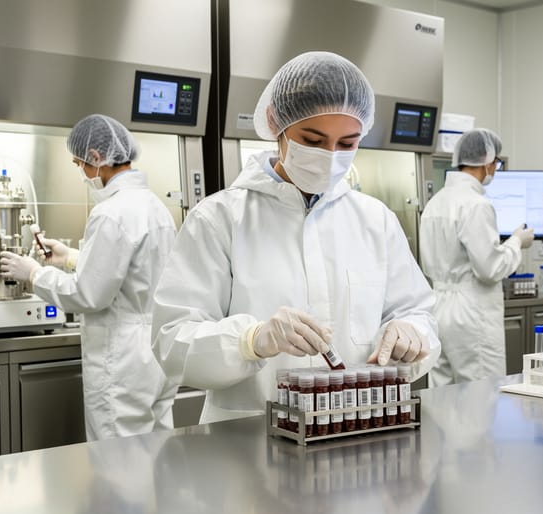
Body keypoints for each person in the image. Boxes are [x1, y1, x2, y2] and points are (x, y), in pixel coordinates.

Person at [151, 51, 440, 424]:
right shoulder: (220, 219)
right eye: (313, 140)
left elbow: (419, 315)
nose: (330, 157)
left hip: (357, 432)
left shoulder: (375, 220)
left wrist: (411, 333)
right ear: (276, 123)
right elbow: (172, 342)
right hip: (246, 442)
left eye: (347, 143)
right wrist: (251, 341)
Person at [0, 114, 178, 440]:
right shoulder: (155, 207)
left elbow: (90, 295)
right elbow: (136, 274)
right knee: (158, 455)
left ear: (97, 158)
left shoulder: (110, 212)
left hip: (123, 359)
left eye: (79, 163)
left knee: (119, 463)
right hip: (157, 352)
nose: (81, 172)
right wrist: (70, 258)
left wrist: (34, 274)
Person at [419, 128, 535, 386]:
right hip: (471, 312)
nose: (495, 169)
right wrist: (517, 241)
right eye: (496, 163)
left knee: (443, 393)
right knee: (482, 392)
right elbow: (490, 268)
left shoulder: (435, 203)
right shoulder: (476, 204)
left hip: (437, 307)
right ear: (487, 162)